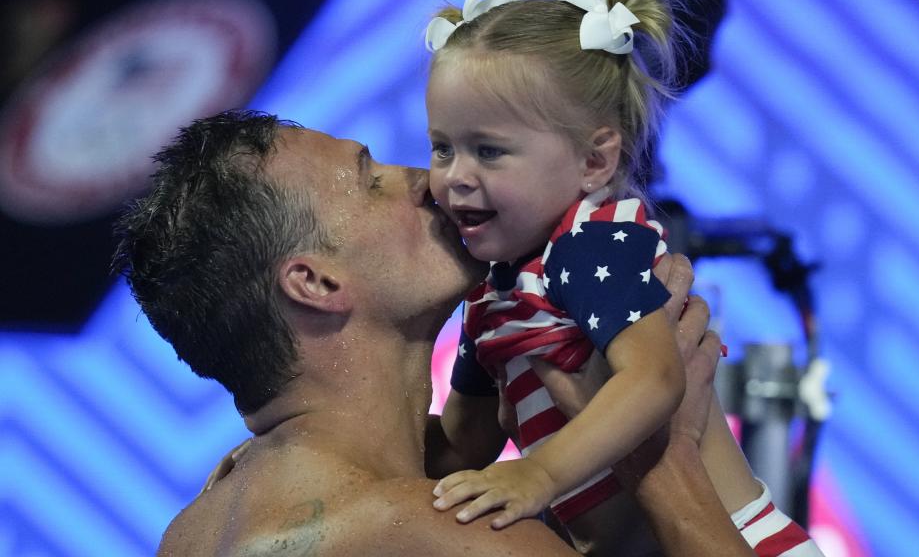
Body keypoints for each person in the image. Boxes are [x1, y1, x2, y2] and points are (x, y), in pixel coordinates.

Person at [114, 109, 757, 556]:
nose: (427, 182)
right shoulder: (449, 538)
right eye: (372, 182)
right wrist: (664, 464)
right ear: (314, 283)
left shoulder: (197, 531)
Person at [421, 0, 823, 556]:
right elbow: (466, 441)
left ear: (594, 163)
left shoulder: (590, 246)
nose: (455, 177)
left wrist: (540, 474)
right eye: (442, 147)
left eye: (489, 151)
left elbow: (656, 379)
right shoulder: (492, 293)